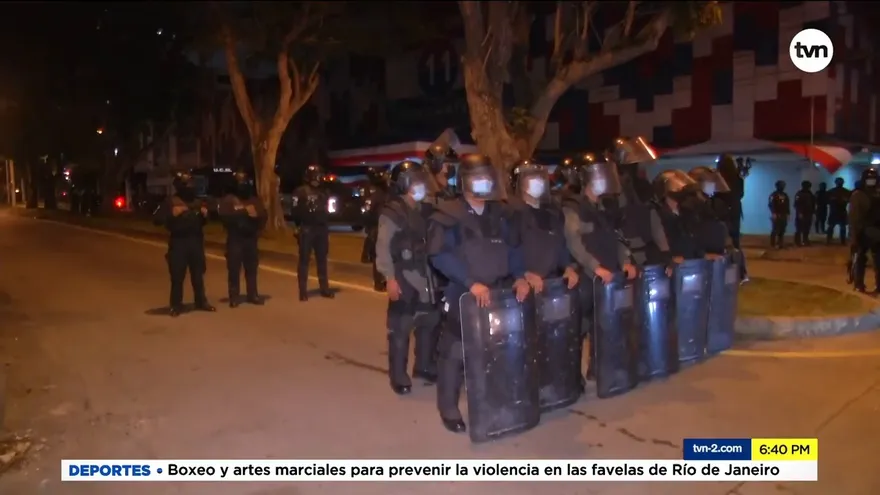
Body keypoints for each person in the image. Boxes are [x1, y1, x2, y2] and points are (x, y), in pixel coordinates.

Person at [426, 154, 531, 433]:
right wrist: (470, 282)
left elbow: (514, 249)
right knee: (455, 352)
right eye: (478, 177)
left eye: (487, 177)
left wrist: (520, 276)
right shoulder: (449, 214)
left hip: (497, 293)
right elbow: (439, 255)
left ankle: (493, 401)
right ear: (465, 181)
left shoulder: (500, 213)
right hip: (464, 292)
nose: (484, 182)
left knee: (496, 349)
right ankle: (448, 407)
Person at [561, 156, 638, 381]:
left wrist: (625, 261)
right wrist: (596, 267)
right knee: (580, 326)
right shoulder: (573, 208)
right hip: (587, 276)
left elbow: (617, 238)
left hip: (608, 275)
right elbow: (574, 242)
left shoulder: (606, 207)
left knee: (604, 324)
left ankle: (599, 369)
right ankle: (572, 378)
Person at [374, 160, 441, 395]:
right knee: (401, 328)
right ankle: (398, 375)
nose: (421, 185)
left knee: (429, 322)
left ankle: (424, 366)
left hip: (425, 276)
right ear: (403, 184)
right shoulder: (392, 212)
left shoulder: (425, 209)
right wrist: (389, 278)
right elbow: (383, 247)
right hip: (403, 276)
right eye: (415, 181)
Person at [507, 160, 580, 292]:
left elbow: (561, 245)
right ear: (518, 182)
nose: (538, 181)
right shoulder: (512, 213)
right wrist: (522, 274)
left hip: (551, 283)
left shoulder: (552, 212)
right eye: (531, 177)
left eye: (540, 177)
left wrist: (568, 267)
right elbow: (511, 248)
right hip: (524, 286)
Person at [152, 171, 216, 317]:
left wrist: (205, 215)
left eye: (190, 183)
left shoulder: (198, 202)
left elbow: (204, 221)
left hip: (196, 241)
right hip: (178, 242)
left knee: (198, 275)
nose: (189, 187)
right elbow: (156, 219)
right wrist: (172, 213)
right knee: (177, 276)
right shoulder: (171, 201)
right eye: (186, 184)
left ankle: (201, 301)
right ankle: (176, 305)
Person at [605, 137, 671, 267]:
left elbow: (654, 222)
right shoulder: (613, 190)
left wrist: (666, 254)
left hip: (647, 253)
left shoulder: (641, 188)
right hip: (627, 255)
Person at [656, 169, 730, 261]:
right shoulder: (660, 215)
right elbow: (669, 245)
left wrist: (703, 255)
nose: (684, 194)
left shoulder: (686, 212)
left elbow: (690, 241)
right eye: (678, 190)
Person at [218, 170, 267, 307]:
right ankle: (234, 296)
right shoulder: (228, 200)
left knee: (251, 268)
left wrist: (256, 216)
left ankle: (253, 294)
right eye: (240, 183)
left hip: (250, 239)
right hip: (235, 239)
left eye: (244, 182)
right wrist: (244, 212)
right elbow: (224, 217)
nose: (242, 185)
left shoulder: (254, 200)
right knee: (234, 269)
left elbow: (263, 216)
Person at [291, 164, 334, 301]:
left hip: (321, 229)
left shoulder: (325, 192)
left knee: (322, 260)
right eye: (315, 176)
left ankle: (324, 288)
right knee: (304, 260)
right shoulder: (300, 192)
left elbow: (330, 210)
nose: (317, 179)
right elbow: (295, 212)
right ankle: (303, 291)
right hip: (307, 229)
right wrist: (299, 225)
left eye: (319, 176)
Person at [847, 168, 880, 293]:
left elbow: (853, 217)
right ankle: (859, 283)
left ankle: (861, 284)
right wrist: (854, 237)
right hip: (863, 232)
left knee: (873, 260)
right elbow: (854, 217)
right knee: (860, 259)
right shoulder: (858, 195)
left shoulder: (859, 194)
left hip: (873, 232)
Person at [361, 167, 389, 292]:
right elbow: (367, 211)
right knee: (379, 256)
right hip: (378, 226)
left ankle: (385, 280)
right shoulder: (374, 192)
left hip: (388, 226)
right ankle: (379, 282)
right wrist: (369, 226)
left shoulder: (386, 192)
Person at [827, 177, 851, 245]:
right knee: (834, 227)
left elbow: (849, 200)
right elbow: (827, 201)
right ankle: (834, 240)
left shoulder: (832, 191)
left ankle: (833, 240)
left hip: (838, 211)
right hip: (836, 211)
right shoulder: (845, 191)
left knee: (838, 227)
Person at [768, 180, 790, 249]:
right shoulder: (773, 195)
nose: (783, 187)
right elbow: (771, 204)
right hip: (776, 215)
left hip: (783, 215)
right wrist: (774, 213)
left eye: (783, 185)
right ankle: (773, 244)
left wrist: (788, 213)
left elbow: (787, 205)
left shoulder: (785, 195)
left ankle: (780, 243)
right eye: (781, 185)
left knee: (782, 230)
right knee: (775, 230)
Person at [794, 180, 816, 247]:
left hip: (809, 213)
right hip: (801, 213)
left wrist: (813, 211)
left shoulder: (810, 194)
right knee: (799, 228)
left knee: (807, 228)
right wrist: (800, 212)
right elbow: (797, 204)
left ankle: (805, 240)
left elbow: (813, 203)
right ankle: (797, 242)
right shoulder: (799, 194)